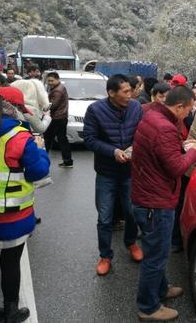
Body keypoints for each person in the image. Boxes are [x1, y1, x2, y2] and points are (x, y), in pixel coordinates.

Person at [131, 86, 196, 322]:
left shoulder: (154, 116)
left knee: (157, 252)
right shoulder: (164, 127)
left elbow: (163, 154)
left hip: (148, 195)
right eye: (189, 109)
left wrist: (182, 147)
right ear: (179, 106)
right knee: (155, 257)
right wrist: (195, 152)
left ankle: (161, 289)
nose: (189, 114)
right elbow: (176, 167)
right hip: (156, 202)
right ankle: (148, 306)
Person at [0, 90, 49, 323]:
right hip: (11, 217)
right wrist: (40, 149)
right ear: (13, 108)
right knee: (10, 263)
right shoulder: (19, 137)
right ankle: (11, 311)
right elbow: (38, 172)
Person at [83, 74, 143, 276]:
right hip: (107, 172)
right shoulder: (95, 110)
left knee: (132, 212)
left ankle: (131, 243)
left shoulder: (135, 107)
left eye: (130, 90)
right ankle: (105, 255)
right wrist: (113, 152)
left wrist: (135, 147)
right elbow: (90, 140)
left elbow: (142, 132)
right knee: (105, 217)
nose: (130, 94)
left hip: (130, 171)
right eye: (125, 91)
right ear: (111, 93)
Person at [44, 72, 73, 168]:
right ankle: (68, 161)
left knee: (47, 140)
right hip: (62, 117)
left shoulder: (57, 91)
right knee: (62, 139)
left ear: (57, 79)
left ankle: (42, 160)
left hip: (56, 118)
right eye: (48, 81)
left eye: (52, 80)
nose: (50, 82)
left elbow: (52, 105)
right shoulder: (61, 87)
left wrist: (44, 108)